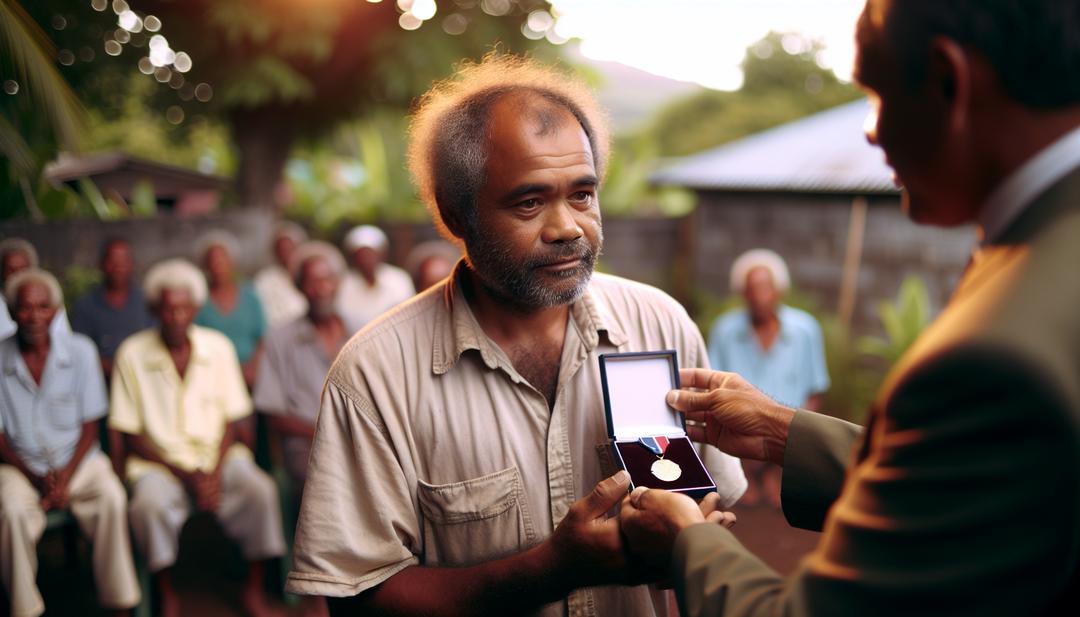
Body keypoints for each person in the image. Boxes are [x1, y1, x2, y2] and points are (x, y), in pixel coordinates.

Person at [619, 1, 1080, 615]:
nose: (870, 131)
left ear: (949, 81)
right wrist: (781, 430)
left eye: (876, 95)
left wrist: (685, 534)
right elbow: (991, 482)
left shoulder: (995, 356)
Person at [285, 55, 746, 616]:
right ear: (457, 216)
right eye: (529, 202)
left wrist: (686, 537)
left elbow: (705, 498)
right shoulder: (375, 375)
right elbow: (357, 601)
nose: (567, 227)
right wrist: (552, 568)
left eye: (582, 194)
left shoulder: (660, 325)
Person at [110, 259, 285, 617]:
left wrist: (214, 472)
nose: (176, 316)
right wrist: (185, 474)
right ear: (155, 309)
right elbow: (130, 434)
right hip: (159, 465)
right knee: (149, 505)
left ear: (195, 309)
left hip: (219, 459)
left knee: (260, 491)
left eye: (184, 308)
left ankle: (253, 589)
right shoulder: (132, 352)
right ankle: (167, 592)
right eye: (168, 308)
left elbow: (232, 420)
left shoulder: (217, 347)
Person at [0, 269, 140, 617]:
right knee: (12, 511)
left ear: (56, 310)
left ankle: (119, 603)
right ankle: (24, 608)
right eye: (25, 307)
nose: (34, 316)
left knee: (111, 496)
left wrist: (63, 477)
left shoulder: (80, 351)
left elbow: (91, 425)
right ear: (12, 311)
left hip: (77, 461)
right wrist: (36, 478)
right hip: (20, 466)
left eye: (43, 307)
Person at [707, 249, 829, 507]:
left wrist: (796, 436)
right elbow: (713, 385)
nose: (759, 296)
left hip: (788, 431)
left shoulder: (805, 329)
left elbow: (816, 390)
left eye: (765, 288)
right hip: (740, 431)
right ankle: (748, 476)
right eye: (752, 289)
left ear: (779, 290)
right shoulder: (725, 330)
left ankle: (777, 475)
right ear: (743, 293)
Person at [254, 241, 360, 486]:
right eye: (312, 282)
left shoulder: (362, 331)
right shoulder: (281, 339)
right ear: (299, 287)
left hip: (362, 437)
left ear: (339, 283)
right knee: (328, 484)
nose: (321, 288)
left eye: (328, 280)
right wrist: (325, 434)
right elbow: (273, 414)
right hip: (306, 445)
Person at [70, 238, 156, 378]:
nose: (118, 266)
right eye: (112, 261)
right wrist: (115, 368)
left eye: (124, 260)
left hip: (143, 377)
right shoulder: (85, 305)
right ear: (101, 265)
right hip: (100, 382)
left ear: (132, 264)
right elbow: (79, 351)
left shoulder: (148, 302)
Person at [193, 230, 268, 389]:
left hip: (250, 375)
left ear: (232, 262)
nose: (218, 264)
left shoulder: (250, 297)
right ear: (205, 266)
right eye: (212, 260)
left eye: (222, 258)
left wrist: (252, 368)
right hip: (212, 375)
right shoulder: (199, 301)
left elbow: (263, 338)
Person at [335, 224, 415, 324]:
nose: (366, 260)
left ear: (382, 253)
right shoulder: (344, 284)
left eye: (370, 254)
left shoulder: (398, 279)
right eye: (361, 255)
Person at [0, 238, 70, 342]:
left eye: (23, 269)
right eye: (11, 270)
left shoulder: (49, 300)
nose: (18, 276)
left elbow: (63, 340)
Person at [253, 221, 309, 329]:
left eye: (290, 248)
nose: (286, 253)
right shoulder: (265, 280)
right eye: (281, 249)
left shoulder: (308, 276)